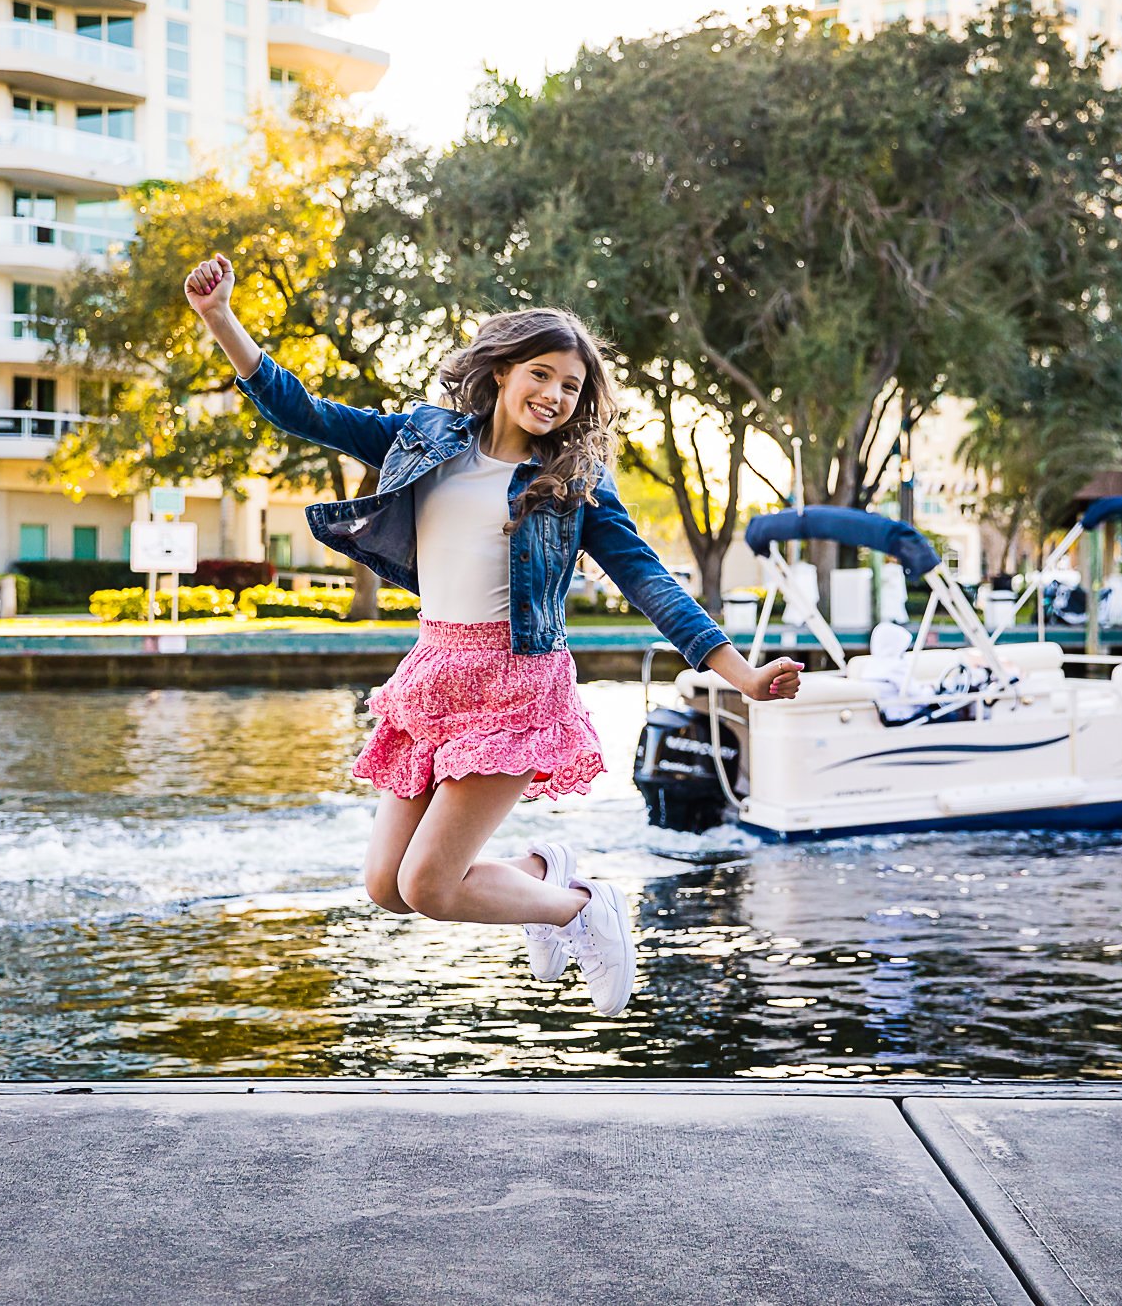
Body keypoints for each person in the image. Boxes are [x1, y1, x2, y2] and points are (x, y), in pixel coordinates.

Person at [185, 253, 804, 1016]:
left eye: (571, 387)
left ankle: (582, 906)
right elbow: (305, 412)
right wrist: (222, 321)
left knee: (431, 883)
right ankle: (544, 871)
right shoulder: (424, 438)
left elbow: (651, 581)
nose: (553, 395)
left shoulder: (576, 484)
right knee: (387, 887)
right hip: (434, 674)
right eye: (541, 374)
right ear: (504, 370)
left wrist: (740, 673)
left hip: (516, 684)